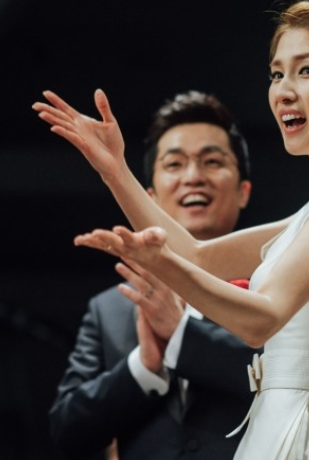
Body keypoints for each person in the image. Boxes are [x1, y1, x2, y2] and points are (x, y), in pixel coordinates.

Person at [33, 0, 309, 460]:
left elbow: (261, 319)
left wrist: (159, 262)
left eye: (307, 70)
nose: (284, 90)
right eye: (277, 74)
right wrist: (115, 172)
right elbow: (200, 256)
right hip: (289, 421)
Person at [47, 90, 260, 460]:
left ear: (244, 191)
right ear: (149, 197)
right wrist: (143, 368)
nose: (193, 177)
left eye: (212, 161)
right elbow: (67, 431)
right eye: (174, 164)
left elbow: (292, 381)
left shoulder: (275, 287)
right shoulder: (109, 310)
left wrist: (181, 334)